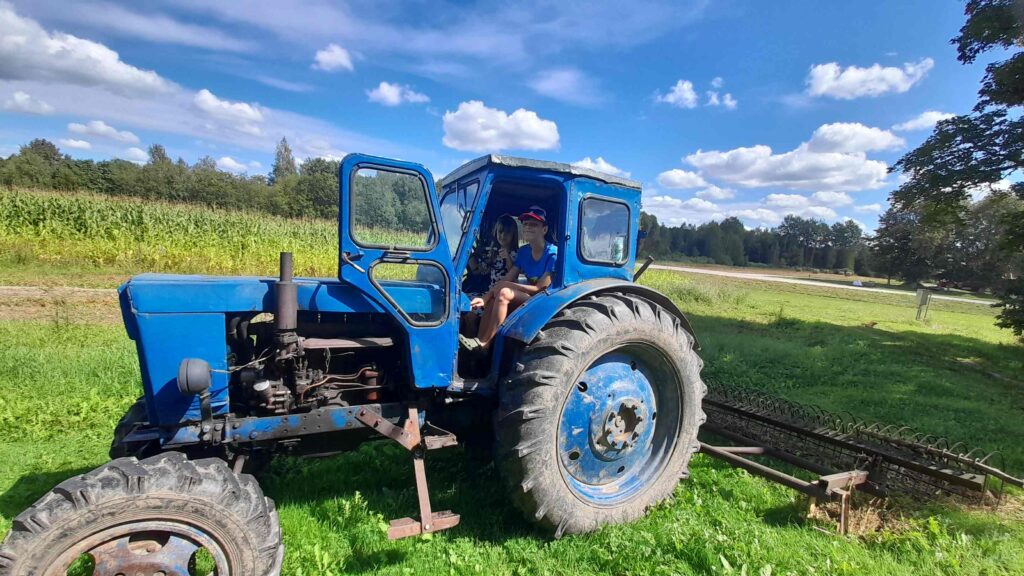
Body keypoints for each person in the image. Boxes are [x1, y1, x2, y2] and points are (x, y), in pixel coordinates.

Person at [460, 206, 557, 352]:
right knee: (495, 297)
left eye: (534, 224)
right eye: (526, 224)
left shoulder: (552, 254)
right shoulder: (524, 252)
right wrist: (484, 299)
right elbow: (509, 276)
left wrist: (507, 285)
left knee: (504, 292)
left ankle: (486, 344)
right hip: (528, 296)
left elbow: (540, 289)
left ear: (544, 229)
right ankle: (478, 345)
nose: (528, 227)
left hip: (544, 300)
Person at [462, 214, 519, 296]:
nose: (503, 235)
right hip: (490, 291)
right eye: (500, 231)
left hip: (504, 293)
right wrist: (471, 256)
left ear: (513, 235)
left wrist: (507, 258)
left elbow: (515, 276)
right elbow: (481, 271)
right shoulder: (494, 253)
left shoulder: (516, 254)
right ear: (496, 233)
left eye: (507, 232)